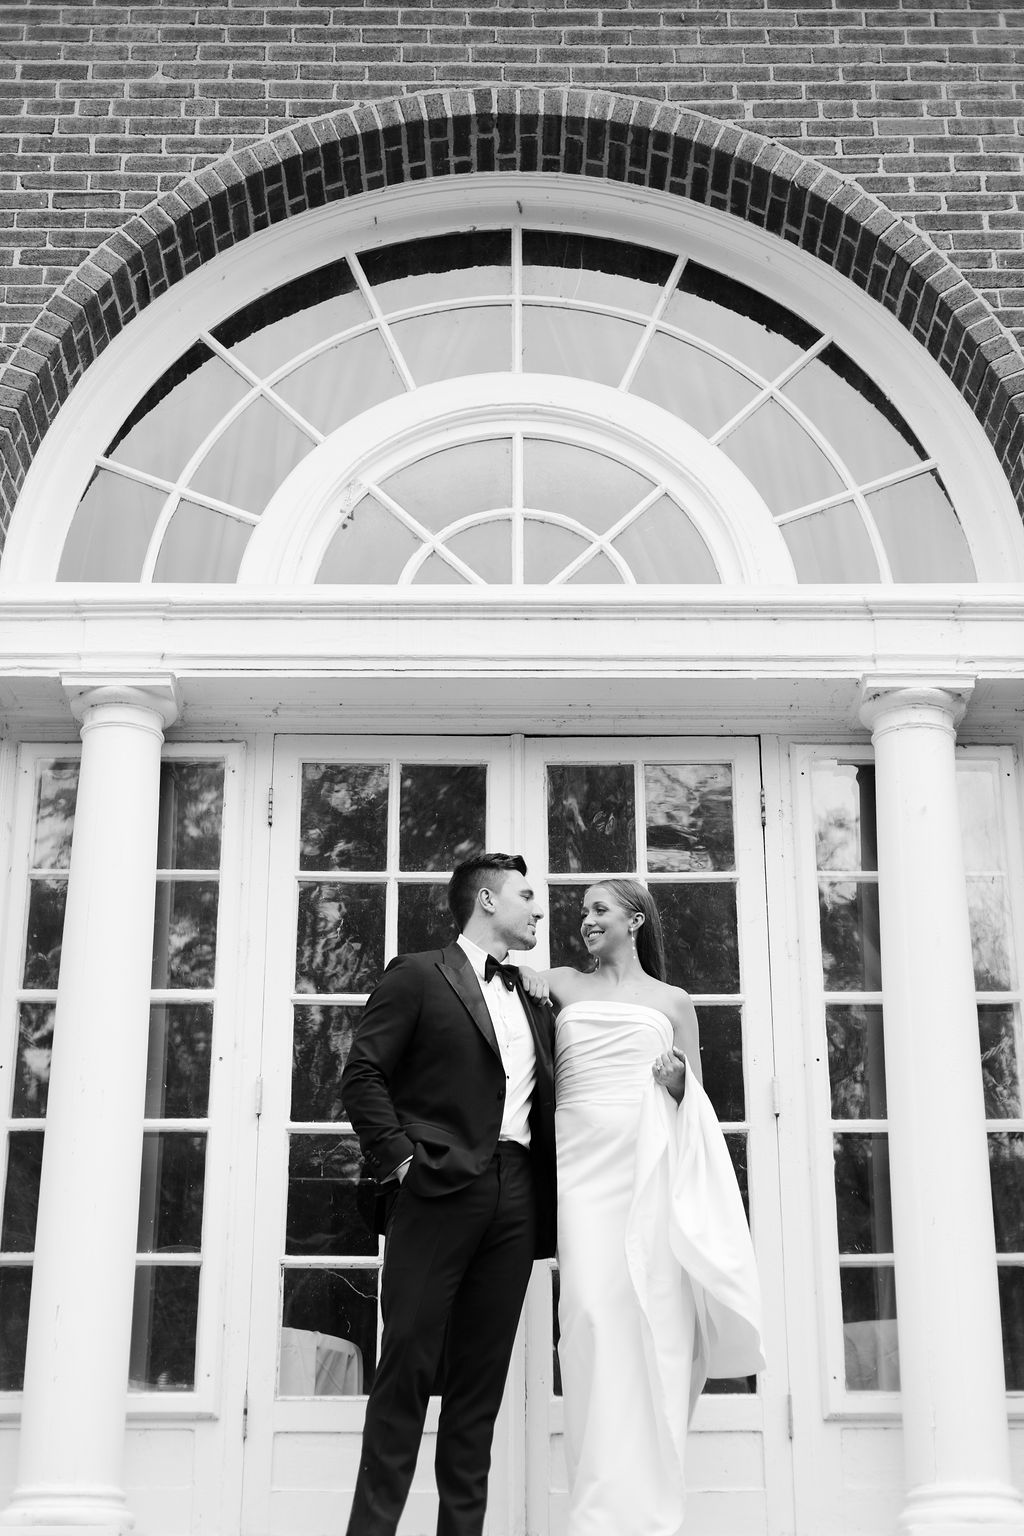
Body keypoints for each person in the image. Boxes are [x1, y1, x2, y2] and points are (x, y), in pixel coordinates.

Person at [539, 878, 764, 1536]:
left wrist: (675, 1085)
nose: (585, 921)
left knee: (651, 1321)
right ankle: (596, 1508)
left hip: (646, 1171)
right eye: (582, 912)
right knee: (588, 1318)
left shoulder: (673, 1002)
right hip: (581, 1174)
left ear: (635, 919)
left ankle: (645, 1511)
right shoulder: (558, 985)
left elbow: (695, 1104)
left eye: (598, 910)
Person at [340, 852, 557, 1536]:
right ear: (487, 900)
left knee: (479, 1389)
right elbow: (362, 1075)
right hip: (435, 1188)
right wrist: (403, 1162)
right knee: (405, 1370)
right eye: (527, 895)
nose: (539, 908)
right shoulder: (417, 975)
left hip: (518, 1195)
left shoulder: (534, 993)